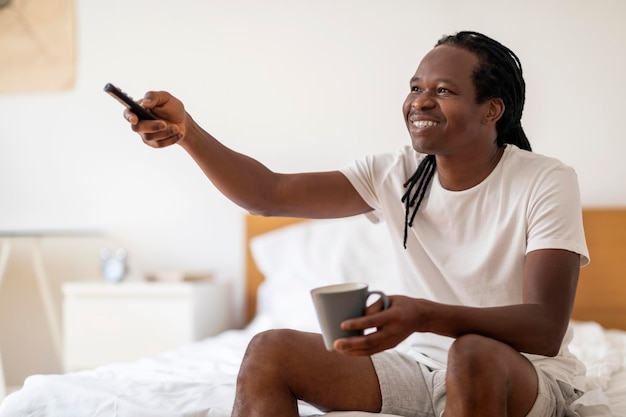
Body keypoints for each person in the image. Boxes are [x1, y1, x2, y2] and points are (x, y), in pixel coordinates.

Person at [125, 31, 589, 417]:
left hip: (521, 375)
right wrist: (188, 131)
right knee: (269, 350)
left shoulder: (545, 180)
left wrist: (423, 315)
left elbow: (545, 327)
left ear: (492, 109)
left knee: (471, 354)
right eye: (415, 87)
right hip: (420, 368)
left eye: (443, 91)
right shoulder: (394, 173)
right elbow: (266, 194)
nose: (420, 102)